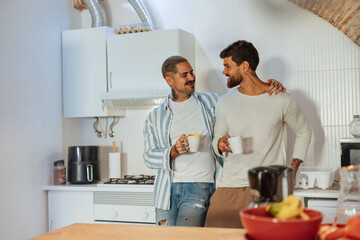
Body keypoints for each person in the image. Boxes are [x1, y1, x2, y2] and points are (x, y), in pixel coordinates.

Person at [143, 55, 285, 227]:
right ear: (169, 80)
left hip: (199, 187)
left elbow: (243, 97)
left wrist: (267, 86)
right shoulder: (155, 116)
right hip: (165, 193)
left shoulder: (211, 101)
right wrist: (174, 151)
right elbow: (148, 157)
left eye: (192, 72)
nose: (191, 78)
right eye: (184, 75)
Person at [204, 40, 312, 228]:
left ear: (244, 66)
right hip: (230, 186)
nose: (224, 72)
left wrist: (293, 169)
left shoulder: (281, 99)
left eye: (227, 66)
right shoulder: (225, 102)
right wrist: (220, 144)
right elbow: (216, 141)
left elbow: (304, 131)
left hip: (269, 188)